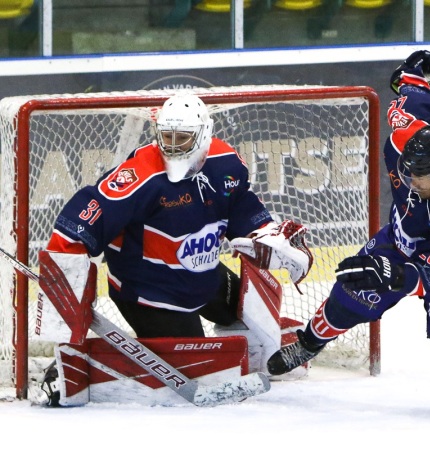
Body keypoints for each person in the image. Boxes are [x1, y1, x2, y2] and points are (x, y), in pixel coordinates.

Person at [40, 92, 313, 402]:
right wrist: (64, 269)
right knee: (199, 370)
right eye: (165, 136)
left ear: (203, 135)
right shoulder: (141, 176)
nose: (171, 146)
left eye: (181, 138)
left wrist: (269, 235)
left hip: (203, 275)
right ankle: (73, 370)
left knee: (257, 312)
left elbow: (243, 210)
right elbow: (83, 221)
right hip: (150, 292)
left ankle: (285, 346)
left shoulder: (226, 162)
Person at [267, 49, 430, 375]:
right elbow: (410, 98)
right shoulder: (402, 140)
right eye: (410, 171)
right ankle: (308, 344)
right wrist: (415, 73)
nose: (412, 180)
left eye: (421, 176)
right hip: (397, 240)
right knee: (348, 297)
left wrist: (399, 277)